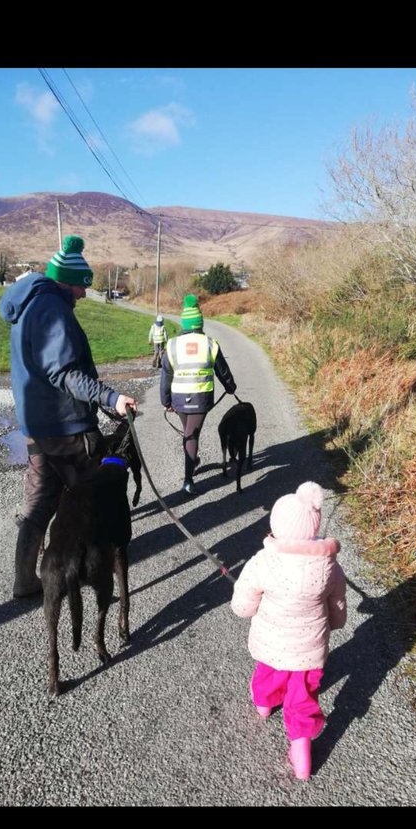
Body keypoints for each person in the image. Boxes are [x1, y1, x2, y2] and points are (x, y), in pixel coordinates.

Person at [0, 234, 137, 599]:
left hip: (37, 426)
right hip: (67, 426)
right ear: (67, 280)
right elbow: (65, 374)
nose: (83, 295)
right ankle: (93, 568)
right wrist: (111, 397)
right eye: (81, 286)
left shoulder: (28, 304)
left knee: (41, 501)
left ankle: (25, 579)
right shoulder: (51, 308)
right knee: (89, 497)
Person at [230, 481, 347, 779]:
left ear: (276, 525)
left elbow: (243, 604)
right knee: (302, 697)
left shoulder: (263, 561)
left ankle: (265, 706)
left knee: (268, 675)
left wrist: (248, 608)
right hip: (309, 649)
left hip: (272, 643)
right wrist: (333, 624)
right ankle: (301, 754)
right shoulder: (330, 567)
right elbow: (338, 606)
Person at [160, 294, 236, 496]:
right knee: (191, 434)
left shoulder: (172, 345)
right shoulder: (210, 343)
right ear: (200, 323)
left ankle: (192, 463)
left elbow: (166, 376)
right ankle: (188, 479)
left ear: (184, 324)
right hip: (201, 399)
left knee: (189, 433)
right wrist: (230, 387)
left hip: (179, 398)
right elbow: (223, 371)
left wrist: (165, 401)